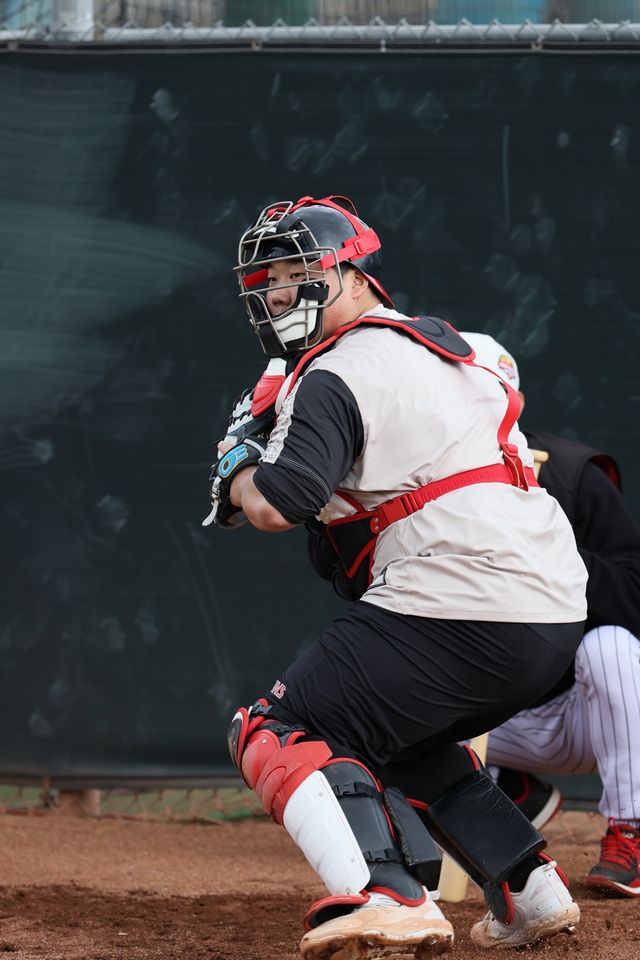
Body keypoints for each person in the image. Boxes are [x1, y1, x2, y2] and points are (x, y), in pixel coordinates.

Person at [207, 194, 588, 958]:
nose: (279, 293)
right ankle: (530, 891)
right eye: (267, 280)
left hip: (462, 602)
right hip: (550, 610)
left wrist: (237, 467)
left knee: (273, 729)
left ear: (353, 272)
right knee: (400, 740)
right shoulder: (463, 348)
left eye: (296, 272)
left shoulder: (332, 371)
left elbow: (282, 506)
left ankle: (388, 894)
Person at [460, 331, 640, 899]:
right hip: (493, 716)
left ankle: (631, 827)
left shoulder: (568, 472)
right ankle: (507, 796)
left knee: (610, 647)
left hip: (583, 712)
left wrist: (550, 553)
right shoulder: (411, 482)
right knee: (383, 676)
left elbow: (633, 591)